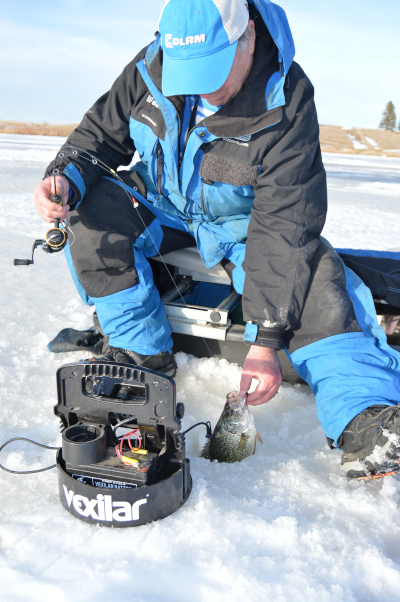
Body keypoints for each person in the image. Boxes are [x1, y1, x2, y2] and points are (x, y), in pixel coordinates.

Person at [33, 0, 400, 479]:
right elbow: (98, 139)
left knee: (317, 278)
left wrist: (266, 342)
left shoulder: (285, 98)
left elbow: (286, 226)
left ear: (247, 36)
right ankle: (141, 356)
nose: (202, 87)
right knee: (91, 220)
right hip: (162, 202)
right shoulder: (151, 66)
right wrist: (64, 177)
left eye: (213, 69)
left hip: (246, 225)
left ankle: (364, 417)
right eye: (190, 72)